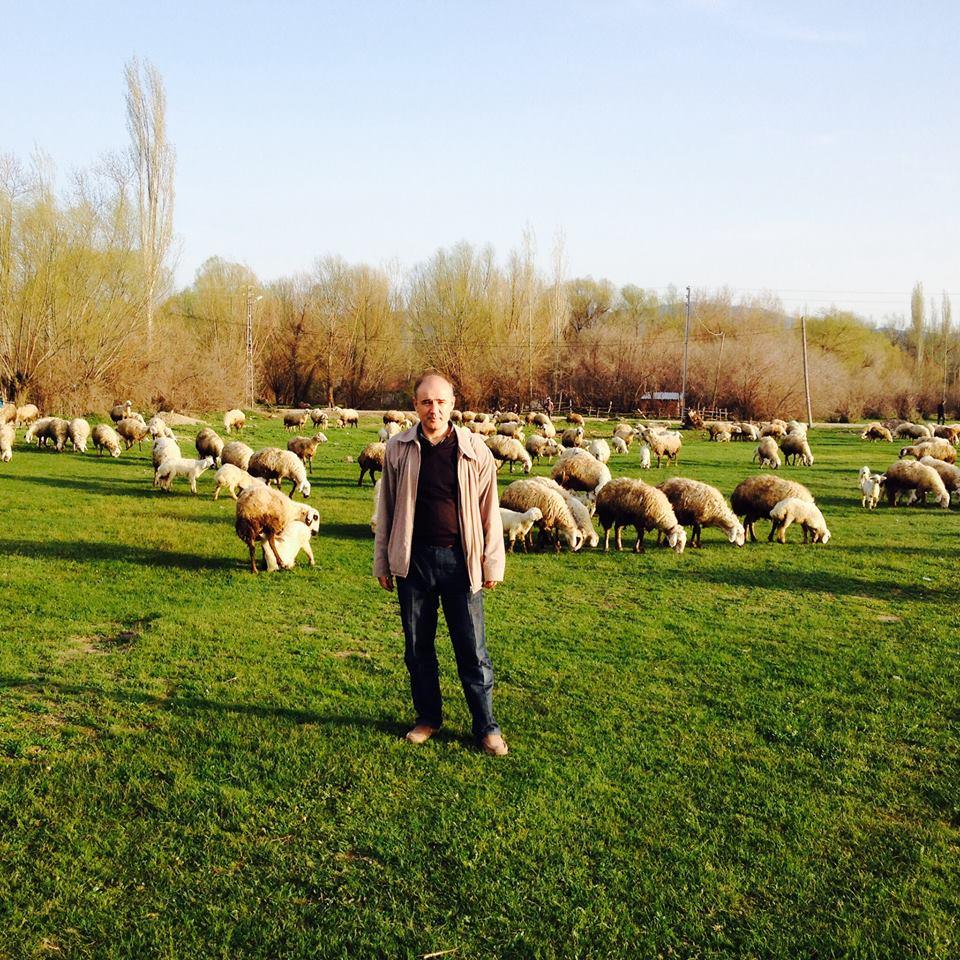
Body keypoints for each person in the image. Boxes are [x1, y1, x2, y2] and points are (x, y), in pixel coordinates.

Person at [373, 373, 508, 756]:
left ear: (453, 404)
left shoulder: (474, 450)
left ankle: (486, 726)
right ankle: (428, 718)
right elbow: (386, 510)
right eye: (426, 402)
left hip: (461, 563)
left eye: (441, 402)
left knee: (472, 649)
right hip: (413, 563)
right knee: (418, 648)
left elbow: (489, 512)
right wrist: (383, 559)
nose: (434, 409)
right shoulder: (398, 449)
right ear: (415, 405)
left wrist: (491, 563)